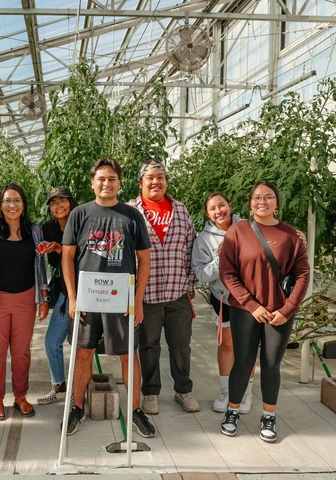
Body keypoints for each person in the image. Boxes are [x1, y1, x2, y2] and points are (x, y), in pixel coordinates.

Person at [61, 157, 156, 438]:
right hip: (88, 300)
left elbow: (144, 260)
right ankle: (76, 407)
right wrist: (73, 297)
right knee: (82, 353)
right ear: (92, 183)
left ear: (119, 183)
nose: (106, 183)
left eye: (112, 179)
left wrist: (137, 300)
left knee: (129, 355)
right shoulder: (80, 214)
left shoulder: (131, 216)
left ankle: (136, 409)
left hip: (121, 300)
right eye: (101, 179)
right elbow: (67, 257)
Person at [218, 181, 309, 443]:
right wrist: (251, 304)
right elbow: (228, 272)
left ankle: (269, 416)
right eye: (257, 197)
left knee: (271, 365)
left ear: (277, 203)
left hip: (279, 312)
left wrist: (288, 308)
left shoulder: (291, 235)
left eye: (269, 197)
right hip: (245, 310)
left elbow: (302, 274)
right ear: (250, 202)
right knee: (243, 363)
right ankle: (232, 411)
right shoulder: (237, 232)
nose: (263, 202)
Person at [127, 159, 199, 415]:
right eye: (150, 178)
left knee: (181, 345)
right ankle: (151, 392)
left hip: (178, 292)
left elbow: (192, 246)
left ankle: (183, 390)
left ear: (166, 181)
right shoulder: (130, 211)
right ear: (141, 183)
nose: (156, 182)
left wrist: (190, 283)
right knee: (149, 346)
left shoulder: (180, 210)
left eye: (161, 177)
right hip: (146, 294)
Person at [0, 184, 49, 421]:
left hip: (26, 298)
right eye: (7, 201)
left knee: (21, 352)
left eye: (17, 201)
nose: (12, 206)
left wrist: (43, 297)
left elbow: (41, 267)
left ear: (24, 205)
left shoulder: (34, 231)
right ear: (0, 205)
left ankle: (20, 396)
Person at [192, 193, 255, 414]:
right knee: (227, 344)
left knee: (247, 346)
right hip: (223, 298)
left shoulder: (250, 227)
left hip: (249, 298)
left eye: (221, 205)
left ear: (230, 205)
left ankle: (245, 392)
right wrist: (221, 259)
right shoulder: (204, 240)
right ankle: (227, 391)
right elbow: (200, 274)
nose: (218, 211)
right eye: (212, 208)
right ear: (207, 213)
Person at [36, 186, 78, 405]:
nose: (58, 206)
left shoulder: (82, 221)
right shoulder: (48, 227)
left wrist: (62, 249)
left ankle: (78, 392)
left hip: (85, 289)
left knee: (82, 343)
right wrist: (49, 249)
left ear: (71, 202)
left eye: (62, 201)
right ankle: (59, 385)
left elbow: (88, 256)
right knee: (52, 340)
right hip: (64, 289)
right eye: (53, 203)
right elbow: (54, 264)